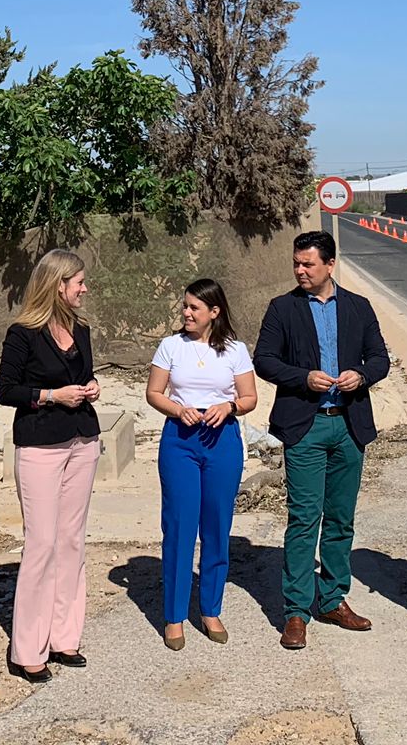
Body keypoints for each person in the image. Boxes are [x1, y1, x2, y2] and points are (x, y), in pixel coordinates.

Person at [254, 229, 392, 651]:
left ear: (330, 265)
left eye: (308, 264)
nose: (300, 270)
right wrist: (303, 378)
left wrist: (362, 375)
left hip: (349, 425)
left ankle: (332, 598)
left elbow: (381, 359)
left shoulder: (359, 307)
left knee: (340, 518)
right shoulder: (282, 308)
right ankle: (296, 611)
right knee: (303, 519)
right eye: (296, 263)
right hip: (306, 426)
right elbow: (264, 360)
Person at [0, 249, 101, 682]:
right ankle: (27, 649)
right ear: (58, 284)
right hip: (40, 445)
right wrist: (51, 396)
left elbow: (84, 375)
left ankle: (64, 637)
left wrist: (90, 386)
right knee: (41, 543)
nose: (84, 288)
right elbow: (7, 390)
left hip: (83, 441)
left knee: (72, 540)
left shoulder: (82, 329)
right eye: (78, 281)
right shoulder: (22, 333)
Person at [146, 278, 258, 649]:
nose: (186, 313)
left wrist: (228, 406)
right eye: (185, 306)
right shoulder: (170, 346)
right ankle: (175, 616)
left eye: (195, 307)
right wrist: (179, 409)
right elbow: (154, 393)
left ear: (215, 312)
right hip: (180, 440)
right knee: (179, 526)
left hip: (221, 439)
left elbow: (249, 397)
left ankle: (211, 608)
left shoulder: (235, 350)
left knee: (216, 526)